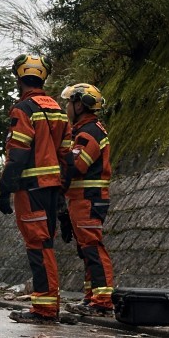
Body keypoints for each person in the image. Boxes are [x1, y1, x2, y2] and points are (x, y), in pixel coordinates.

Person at [0, 54, 72, 324]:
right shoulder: (58, 110)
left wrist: (5, 188)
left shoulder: (24, 109)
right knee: (45, 244)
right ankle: (48, 304)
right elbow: (66, 157)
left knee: (38, 246)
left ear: (19, 78)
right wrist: (62, 199)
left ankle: (44, 308)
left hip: (31, 188)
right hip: (52, 189)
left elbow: (17, 153)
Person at [59, 83, 115, 317]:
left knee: (92, 247)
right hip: (81, 199)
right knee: (86, 249)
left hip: (88, 198)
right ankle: (92, 297)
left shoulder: (89, 132)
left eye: (69, 103)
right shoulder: (83, 130)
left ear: (80, 104)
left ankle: (102, 301)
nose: (66, 108)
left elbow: (78, 165)